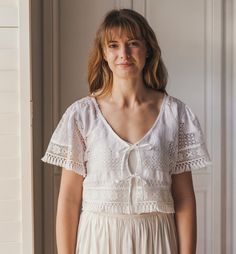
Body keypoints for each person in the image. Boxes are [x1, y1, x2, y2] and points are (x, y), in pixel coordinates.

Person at [41, 8, 211, 254]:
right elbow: (68, 199)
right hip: (99, 240)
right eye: (113, 45)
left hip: (157, 239)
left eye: (133, 43)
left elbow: (184, 197)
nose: (124, 54)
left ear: (147, 49)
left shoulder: (177, 116)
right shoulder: (81, 115)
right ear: (103, 53)